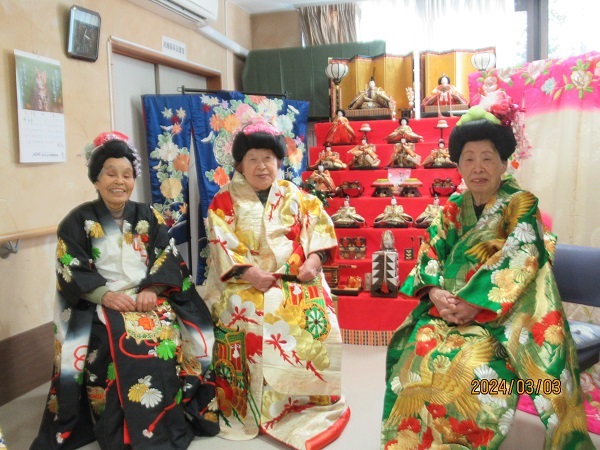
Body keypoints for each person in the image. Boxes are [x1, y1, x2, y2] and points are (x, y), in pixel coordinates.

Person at [381, 100, 594, 449]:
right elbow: (431, 251)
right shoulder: (453, 208)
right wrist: (435, 293)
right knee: (418, 356)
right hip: (449, 311)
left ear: (504, 162)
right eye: (469, 158)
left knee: (467, 372)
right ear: (458, 166)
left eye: (487, 158)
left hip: (502, 316)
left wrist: (474, 303)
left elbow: (520, 258)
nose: (478, 167)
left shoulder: (521, 203)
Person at [30, 132, 219, 450]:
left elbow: (167, 255)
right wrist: (103, 295)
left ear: (134, 180)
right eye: (110, 173)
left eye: (127, 174)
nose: (119, 181)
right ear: (96, 179)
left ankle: (168, 419)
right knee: (123, 337)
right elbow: (70, 268)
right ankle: (121, 431)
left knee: (183, 334)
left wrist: (153, 287)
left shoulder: (148, 215)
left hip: (148, 296)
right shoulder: (76, 221)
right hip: (98, 301)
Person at [200, 119, 350, 449]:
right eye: (252, 159)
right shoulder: (223, 200)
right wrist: (248, 272)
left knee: (314, 312)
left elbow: (318, 228)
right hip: (243, 281)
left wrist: (313, 261)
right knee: (247, 317)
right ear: (240, 164)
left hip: (295, 277)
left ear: (279, 161)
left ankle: (309, 400)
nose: (261, 166)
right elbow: (221, 243)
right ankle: (253, 406)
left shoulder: (296, 195)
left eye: (268, 158)